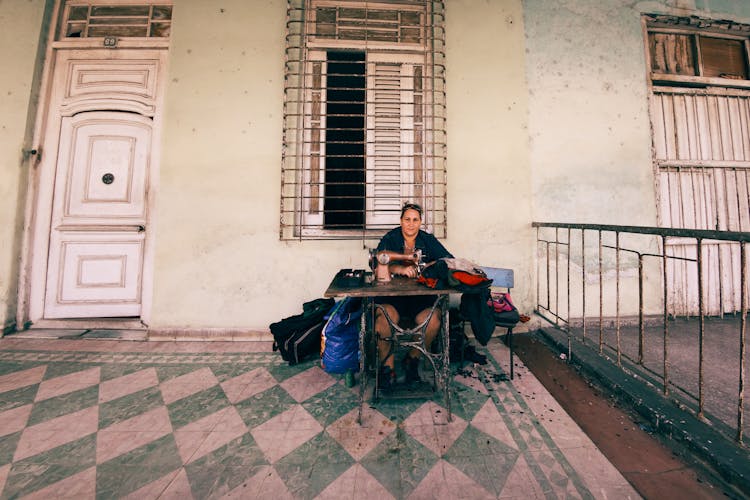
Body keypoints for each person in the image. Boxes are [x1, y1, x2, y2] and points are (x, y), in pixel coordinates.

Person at [375, 202, 453, 389]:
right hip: (392, 297)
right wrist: (400, 268)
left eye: (415, 220)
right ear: (401, 221)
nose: (411, 224)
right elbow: (379, 262)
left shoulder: (427, 240)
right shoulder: (390, 238)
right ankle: (388, 368)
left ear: (420, 222)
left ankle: (412, 360)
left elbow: (448, 260)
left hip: (421, 297)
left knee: (433, 320)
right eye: (407, 219)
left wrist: (430, 266)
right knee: (384, 319)